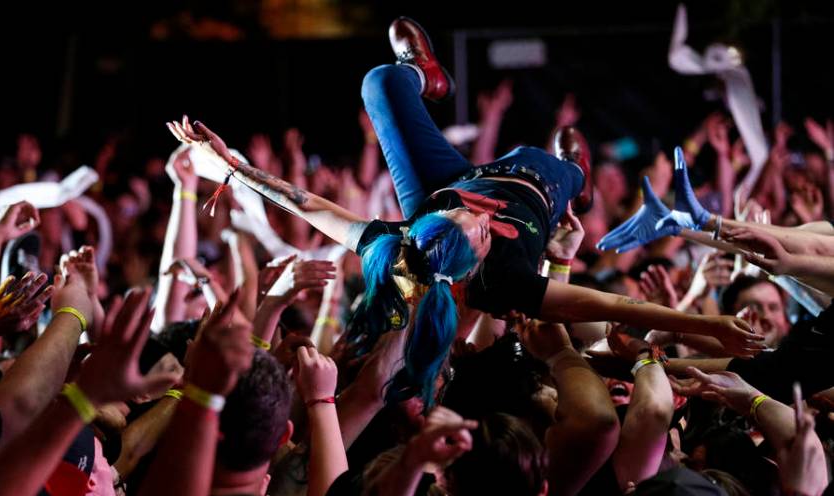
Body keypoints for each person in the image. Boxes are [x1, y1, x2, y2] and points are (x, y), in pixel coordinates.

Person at [168, 18, 761, 407]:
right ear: (478, 259)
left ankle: (420, 73)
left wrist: (230, 170)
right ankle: (575, 175)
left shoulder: (394, 245)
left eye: (459, 218)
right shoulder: (505, 283)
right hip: (536, 188)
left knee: (378, 84)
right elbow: (616, 303)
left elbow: (306, 202)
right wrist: (708, 325)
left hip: (441, 184)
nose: (478, 216)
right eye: (477, 228)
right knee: (555, 158)